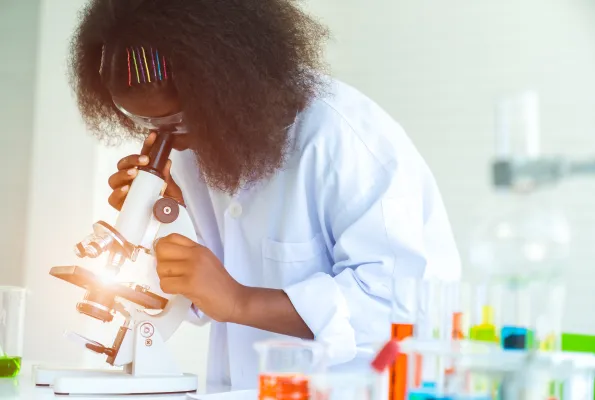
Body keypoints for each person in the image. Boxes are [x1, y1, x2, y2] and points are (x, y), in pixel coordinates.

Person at [69, 0, 461, 390]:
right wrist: (166, 223)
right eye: (144, 121)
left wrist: (241, 302)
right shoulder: (197, 144)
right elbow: (202, 297)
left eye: (174, 120)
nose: (164, 135)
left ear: (225, 80)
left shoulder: (341, 136)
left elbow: (396, 304)